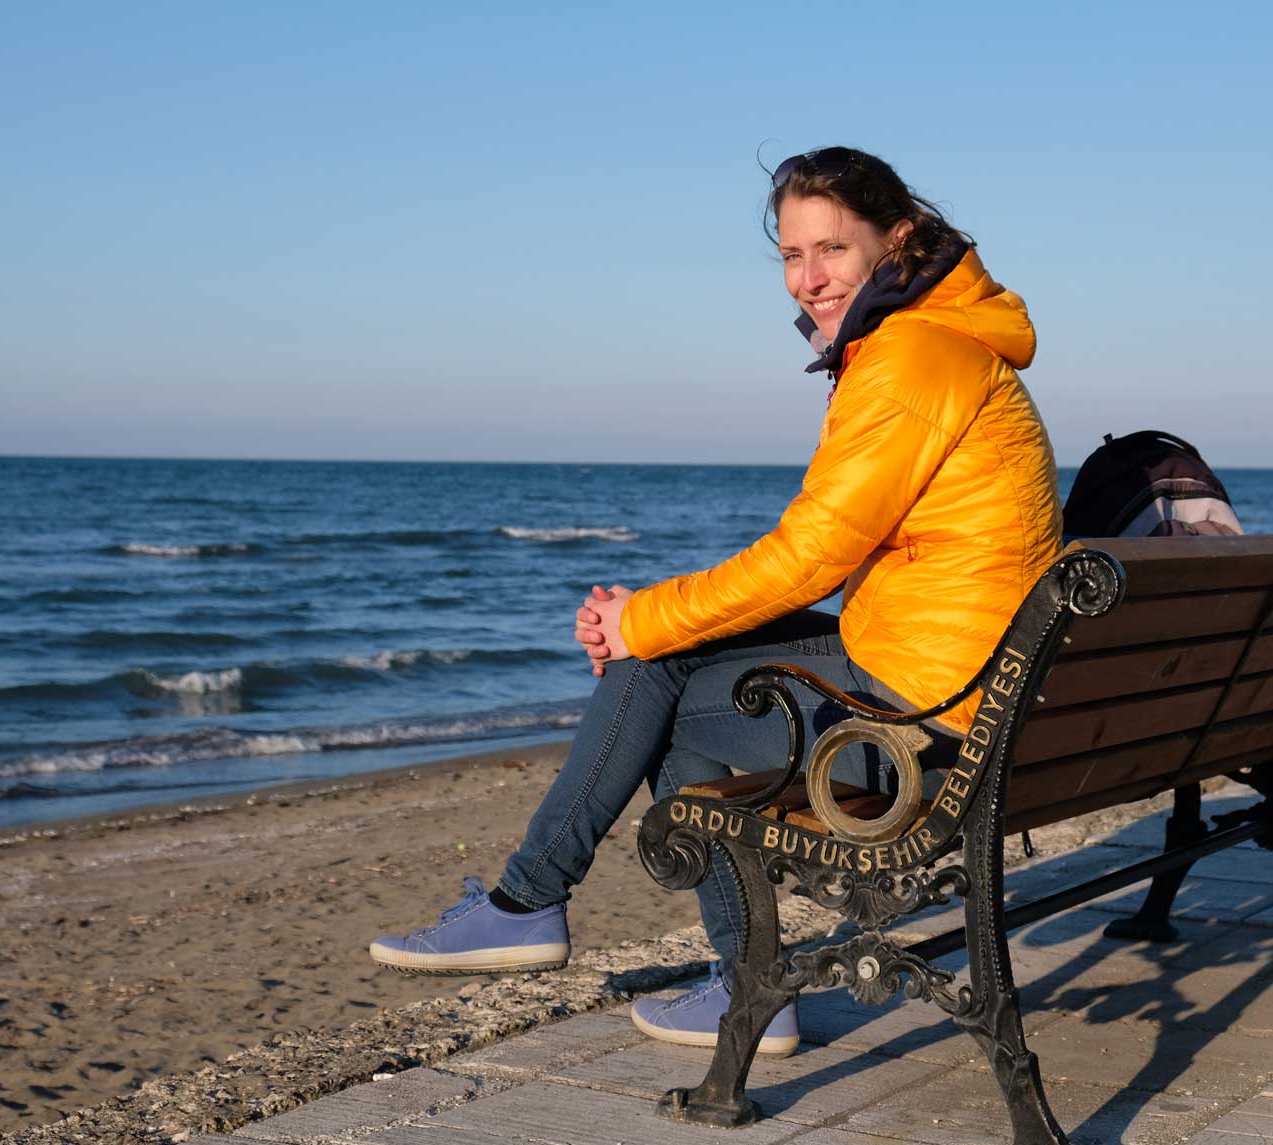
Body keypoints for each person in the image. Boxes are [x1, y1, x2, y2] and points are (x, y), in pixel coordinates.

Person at [369, 147, 1061, 1056]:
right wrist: (646, 613)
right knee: (658, 659)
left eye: (831, 250)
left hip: (927, 720)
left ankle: (599, 929)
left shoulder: (909, 356)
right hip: (964, 685)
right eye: (790, 254)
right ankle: (558, 913)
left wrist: (640, 623)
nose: (808, 278)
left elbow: (812, 555)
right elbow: (834, 557)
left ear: (895, 241)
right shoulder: (938, 342)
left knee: (660, 690)